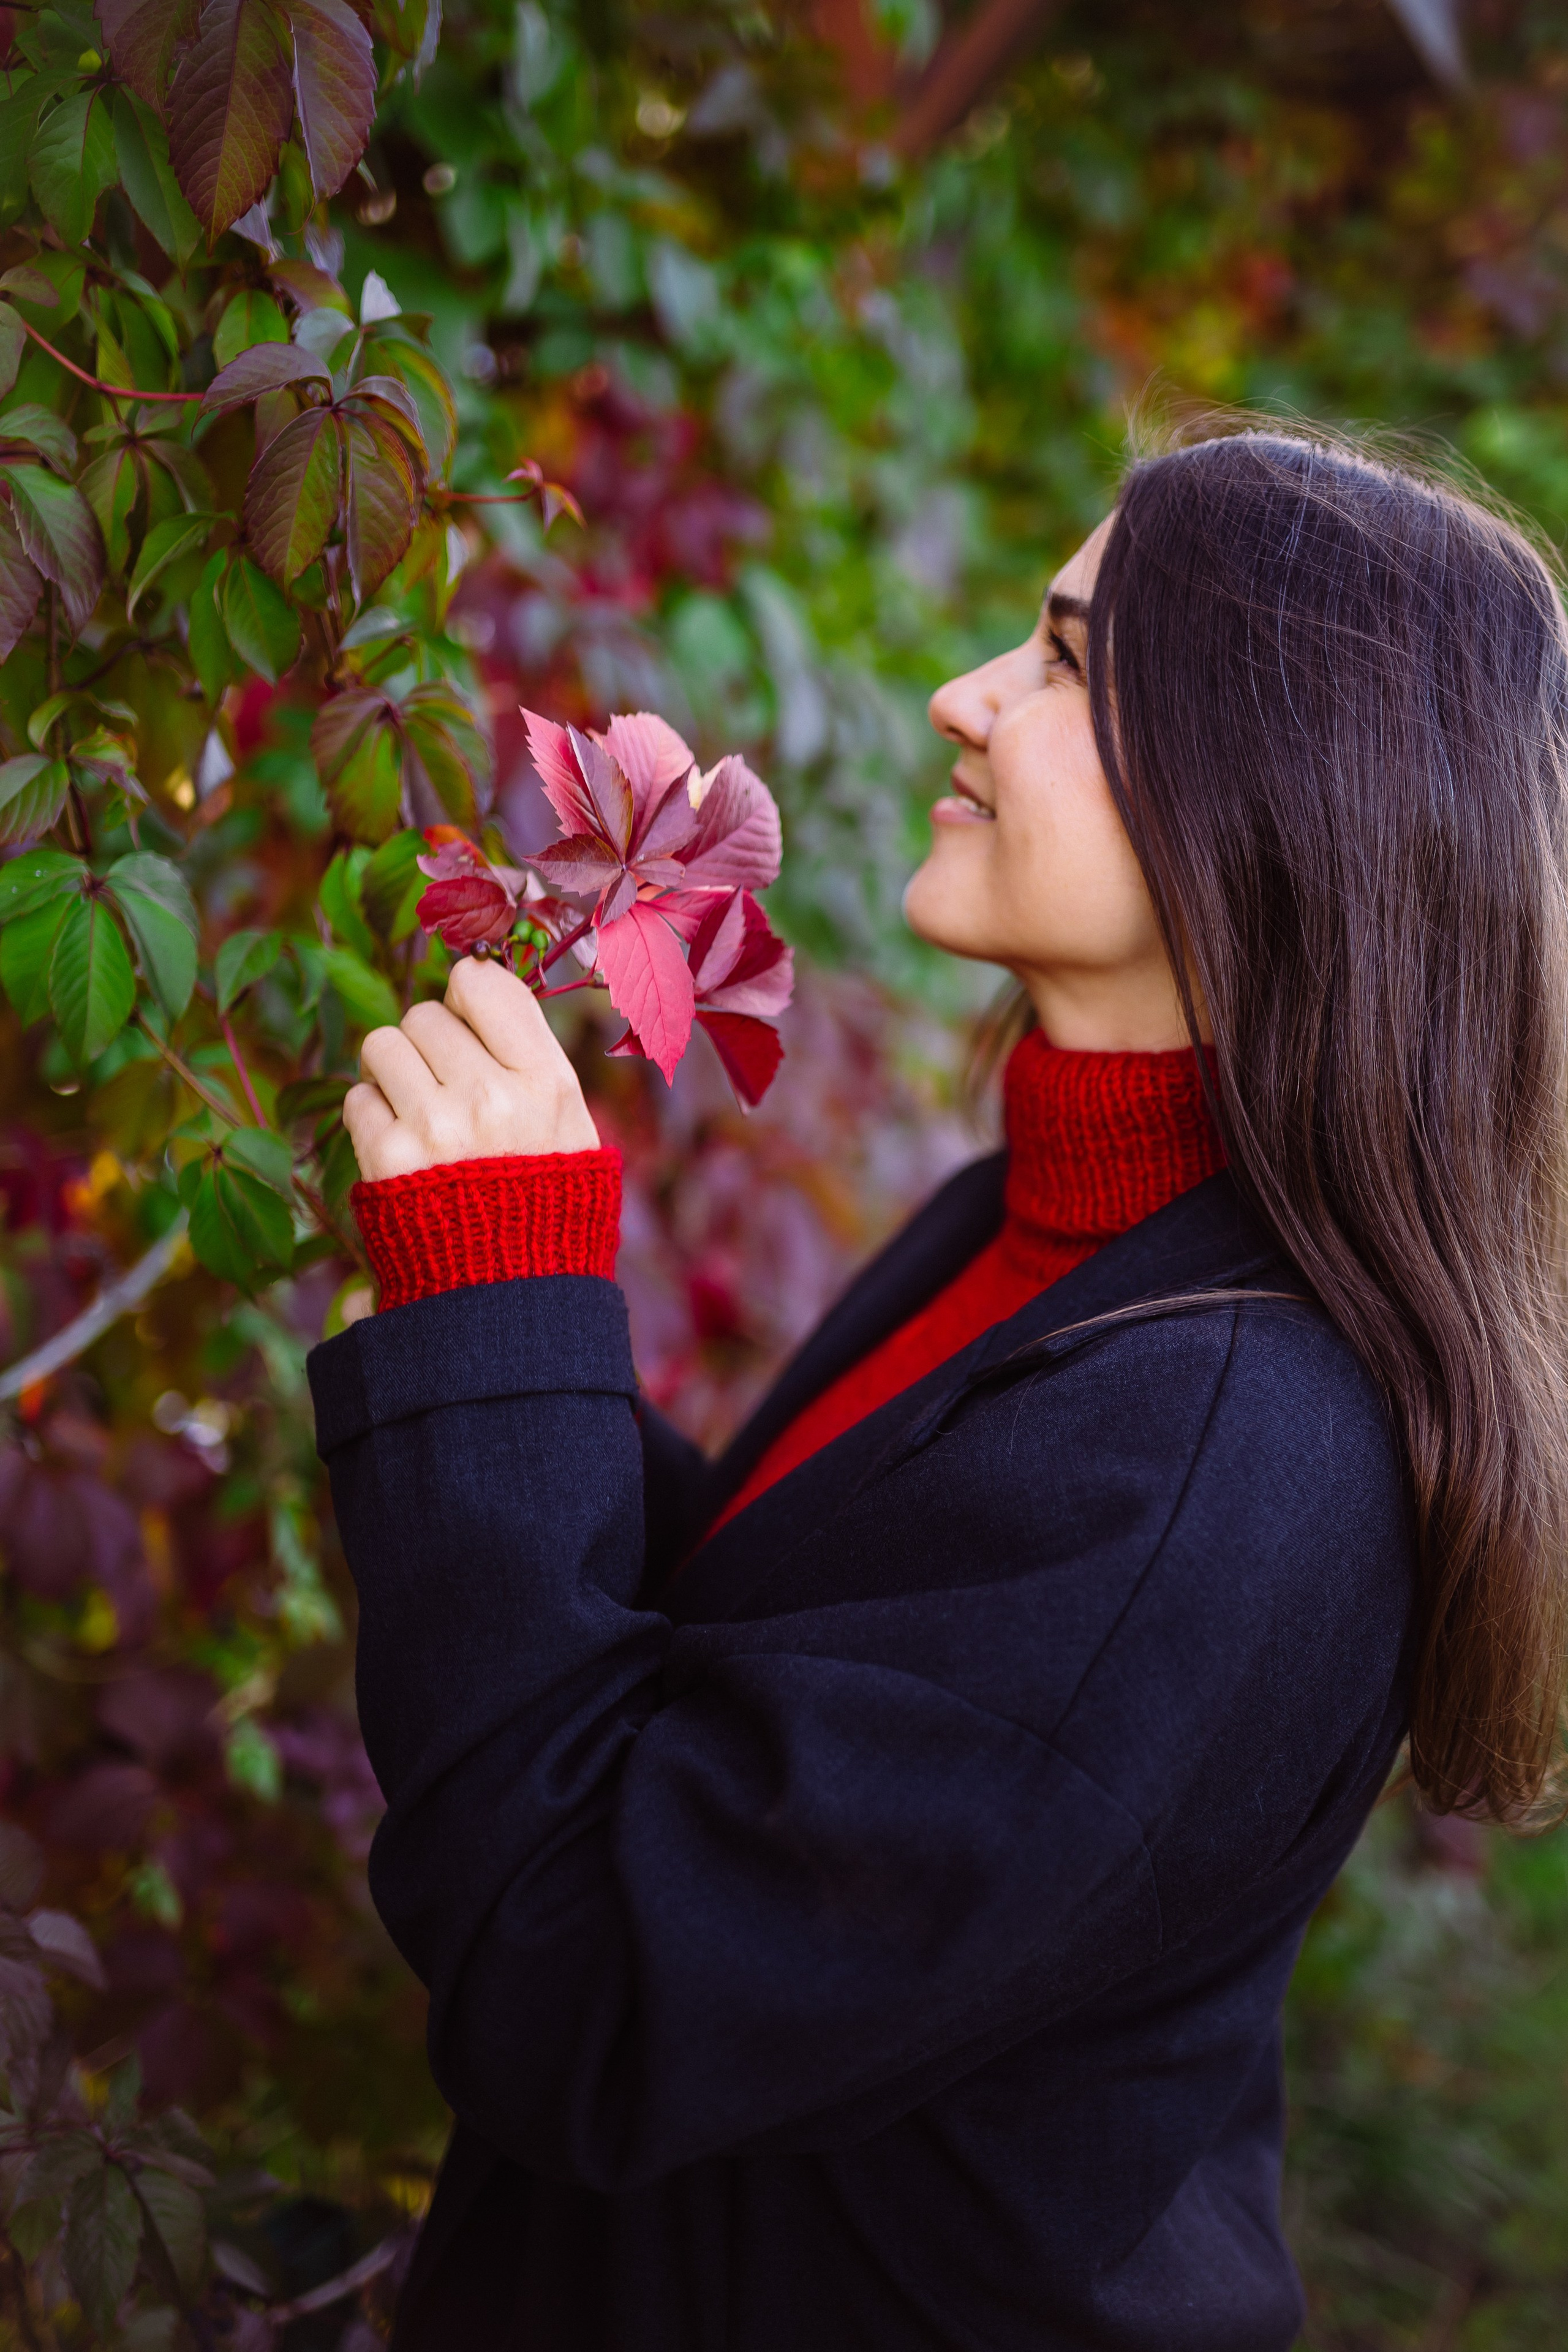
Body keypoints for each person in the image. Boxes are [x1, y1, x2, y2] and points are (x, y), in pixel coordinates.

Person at [309, 428, 1568, 2351]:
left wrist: (497, 1323)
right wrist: (470, 1313)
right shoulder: (1060, 1227)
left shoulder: (1218, 1465)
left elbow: (594, 1988)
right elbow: (795, 1643)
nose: (962, 697)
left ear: (1278, 793)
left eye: (1066, 663)